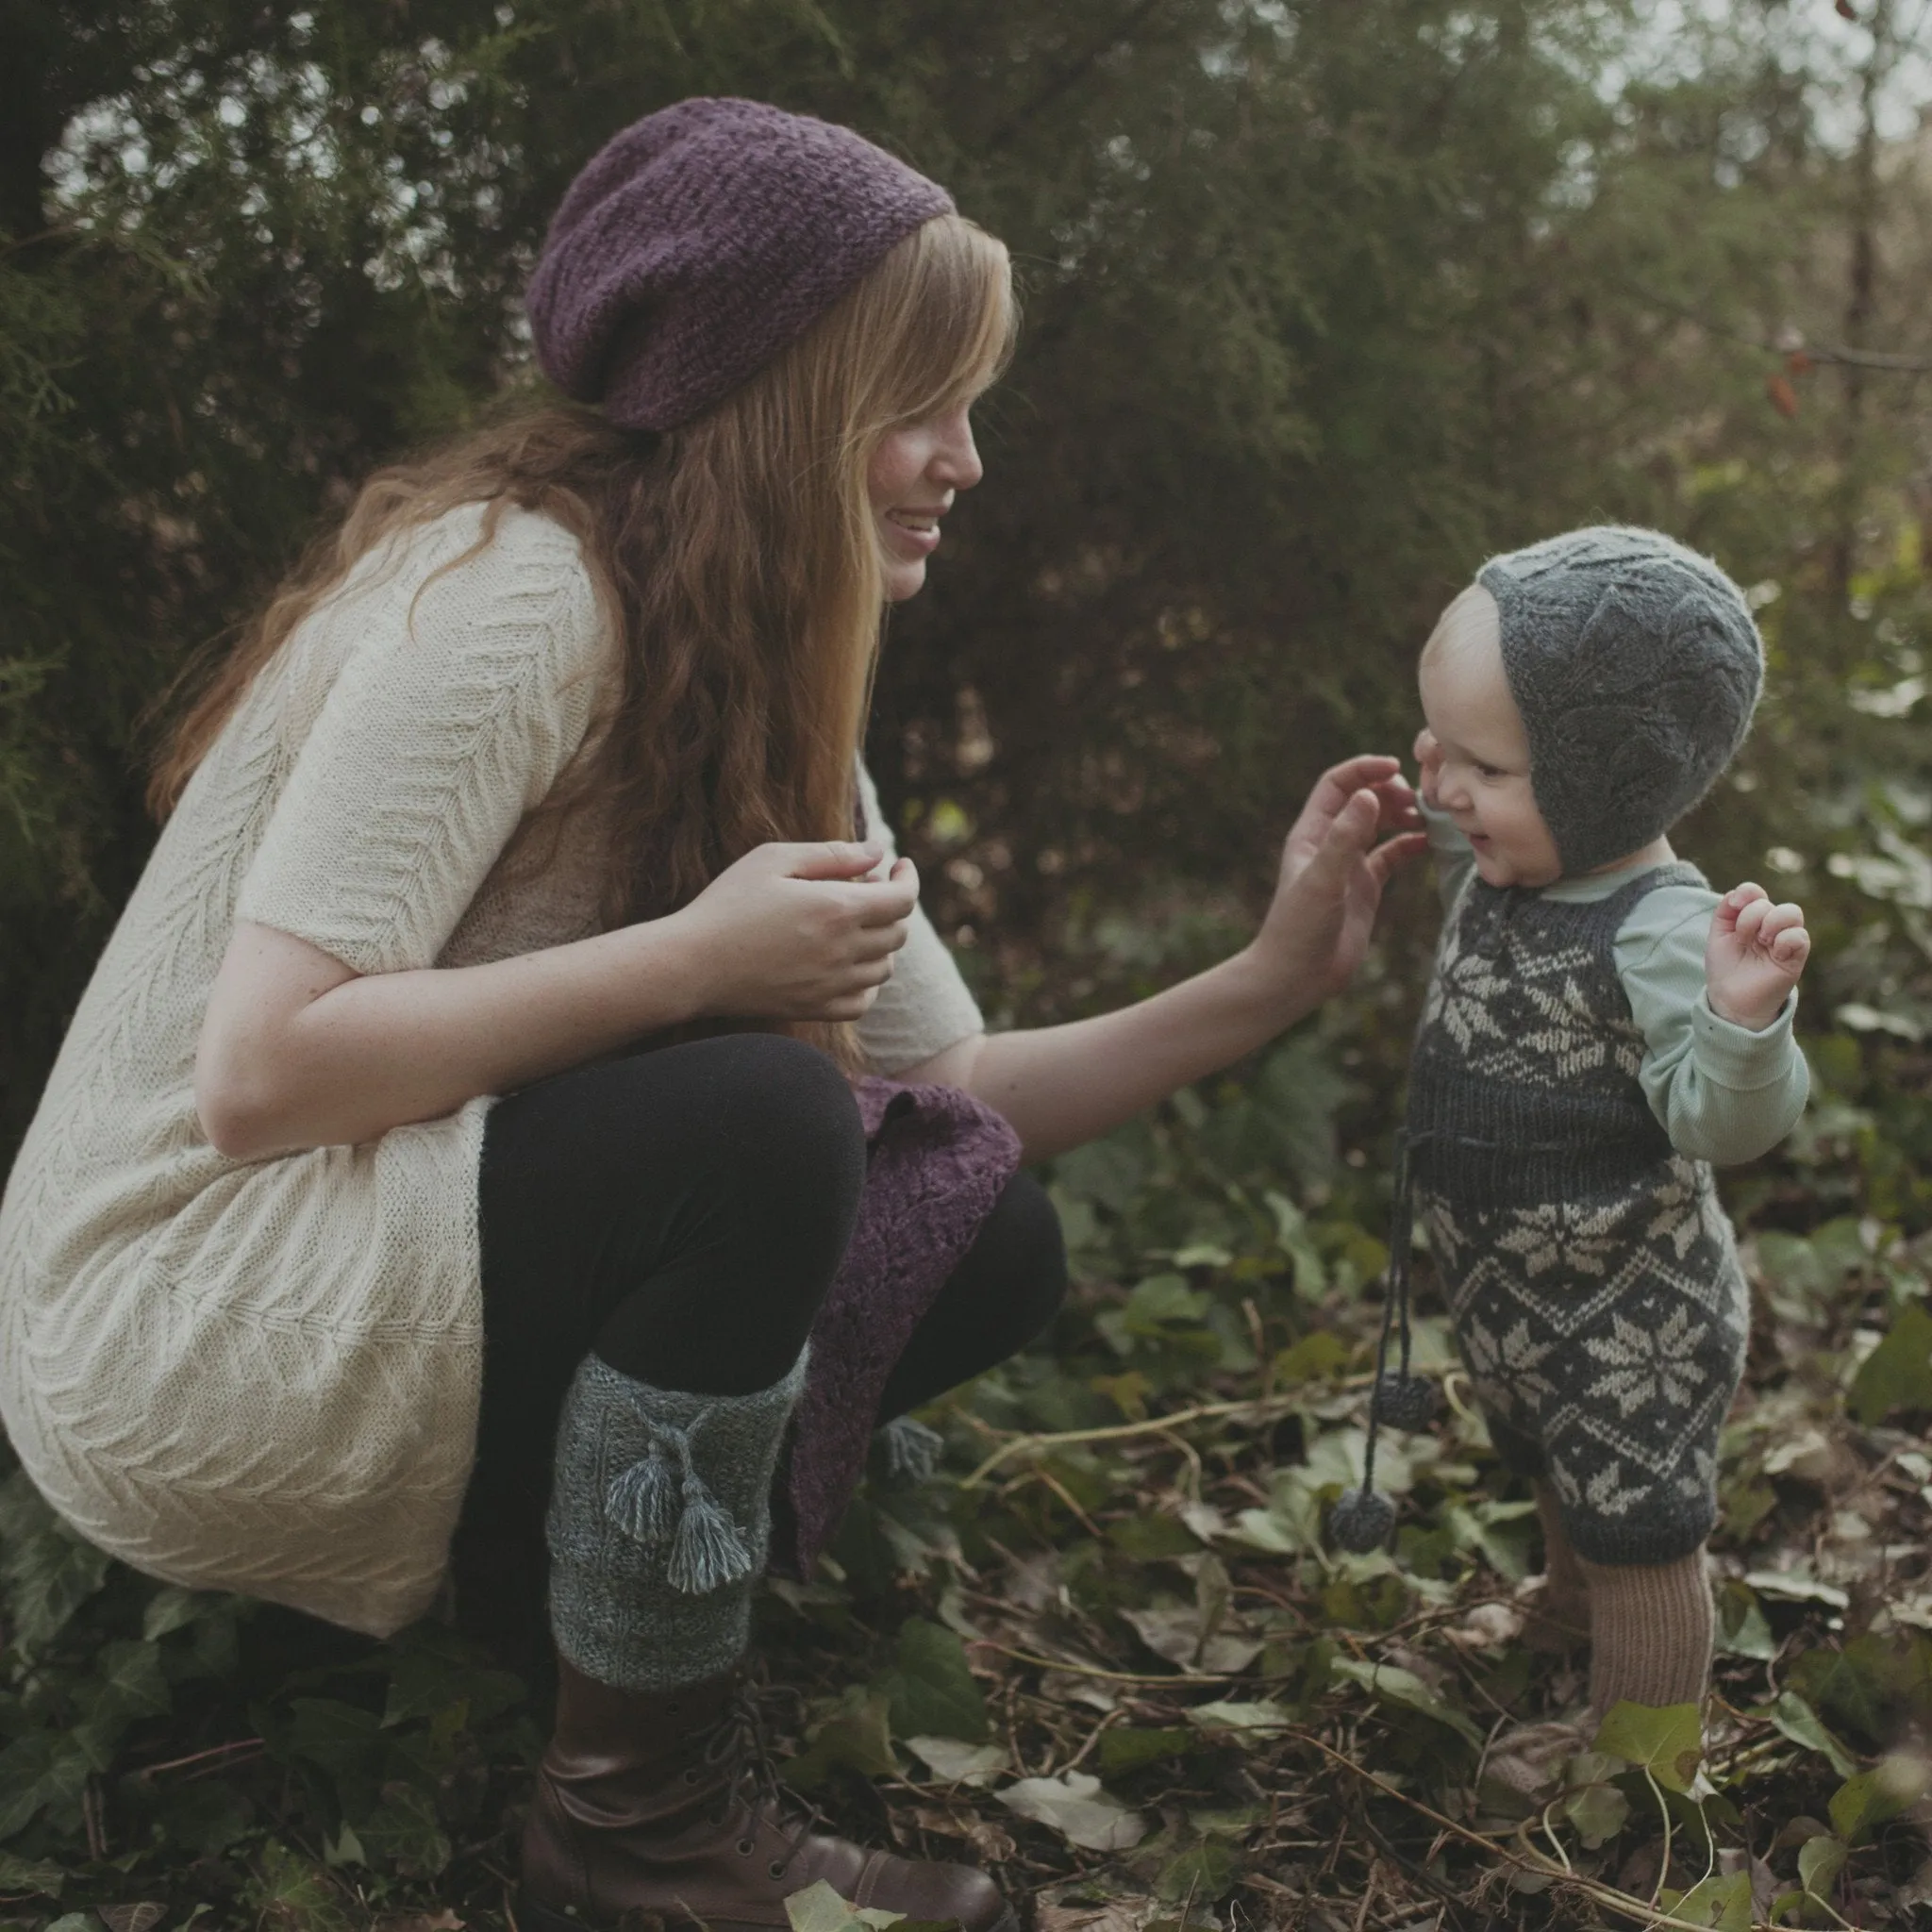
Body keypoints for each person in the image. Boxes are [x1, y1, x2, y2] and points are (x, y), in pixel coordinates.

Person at [0, 99, 1423, 1932]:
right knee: (757, 1117)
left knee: (974, 1215)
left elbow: (954, 1086)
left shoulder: (750, 643)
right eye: (920, 403)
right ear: (777, 396)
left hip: (377, 1254)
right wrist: (691, 962)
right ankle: (633, 1823)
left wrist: (1270, 975)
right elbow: (267, 1069)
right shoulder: (513, 594)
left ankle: (566, 1622)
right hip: (177, 1309)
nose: (963, 460)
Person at [1341, 526, 1809, 1800]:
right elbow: (1448, 819)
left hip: (1629, 1316)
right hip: (1522, 1298)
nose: (1441, 781)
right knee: (1551, 1462)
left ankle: (1642, 1757)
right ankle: (1565, 1609)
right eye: (1434, 742)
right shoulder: (1521, 856)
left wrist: (1743, 1022)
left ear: (1603, 785)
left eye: (1481, 764)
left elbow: (1728, 1123)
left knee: (1637, 1521)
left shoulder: (1658, 927)